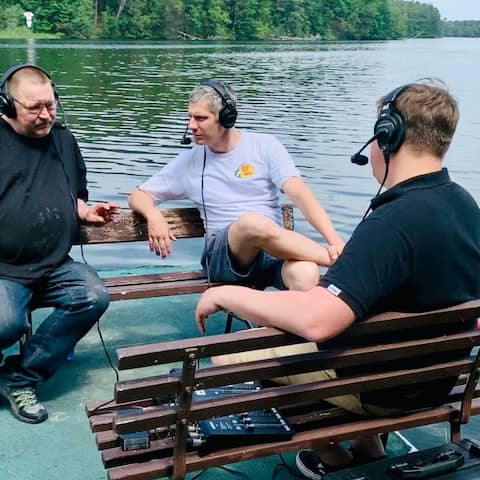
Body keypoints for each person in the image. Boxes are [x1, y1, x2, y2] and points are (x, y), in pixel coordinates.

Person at [194, 80, 480, 479]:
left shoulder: (392, 223)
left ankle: (331, 457)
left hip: (380, 389)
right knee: (294, 326)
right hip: (439, 379)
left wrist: (228, 293)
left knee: (231, 355)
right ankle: (367, 445)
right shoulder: (465, 206)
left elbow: (317, 320)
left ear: (387, 135)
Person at [129, 80, 344, 294]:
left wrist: (335, 242)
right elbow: (139, 195)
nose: (191, 126)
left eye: (201, 118)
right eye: (190, 117)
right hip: (223, 259)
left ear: (226, 118)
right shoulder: (189, 161)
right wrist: (153, 215)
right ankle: (342, 263)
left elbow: (300, 194)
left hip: (270, 254)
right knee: (252, 223)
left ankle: (270, 326)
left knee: (306, 273)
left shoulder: (265, 146)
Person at [0, 64, 119, 424]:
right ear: (7, 105)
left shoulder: (63, 140)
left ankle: (19, 377)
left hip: (54, 265)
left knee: (93, 295)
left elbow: (74, 194)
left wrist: (85, 211)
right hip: (5, 270)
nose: (46, 115)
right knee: (6, 324)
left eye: (51, 105)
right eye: (35, 107)